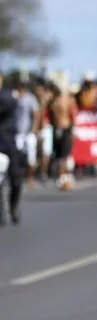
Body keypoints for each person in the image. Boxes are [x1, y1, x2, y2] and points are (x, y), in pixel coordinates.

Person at [0, 73, 24, 225]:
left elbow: (10, 103)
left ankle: (13, 207)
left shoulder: (8, 96)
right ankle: (1, 214)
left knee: (16, 179)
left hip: (10, 143)